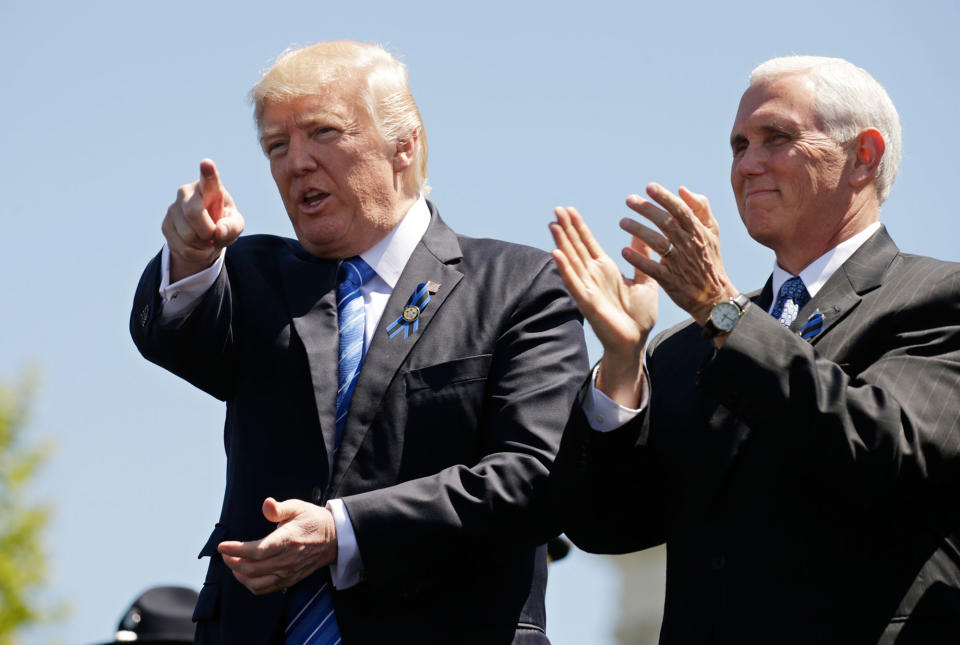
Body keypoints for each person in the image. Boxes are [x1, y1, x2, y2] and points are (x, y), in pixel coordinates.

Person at [130, 40, 587, 644]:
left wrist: (342, 532)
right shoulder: (251, 277)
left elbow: (533, 476)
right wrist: (190, 254)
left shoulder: (516, 286)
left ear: (404, 144)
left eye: (323, 132)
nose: (296, 163)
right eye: (276, 145)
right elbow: (174, 334)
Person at [549, 56, 960, 643]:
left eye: (777, 138)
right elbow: (607, 525)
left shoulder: (938, 298)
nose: (747, 165)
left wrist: (721, 309)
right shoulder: (687, 346)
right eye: (738, 145)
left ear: (863, 156)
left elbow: (881, 448)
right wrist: (621, 361)